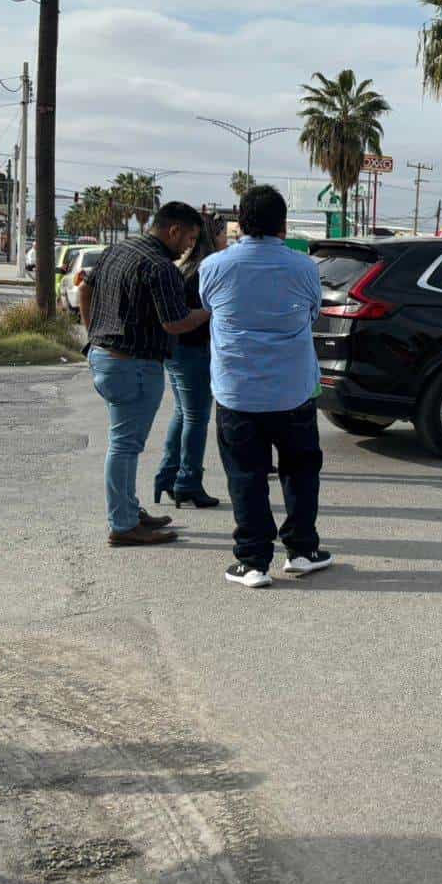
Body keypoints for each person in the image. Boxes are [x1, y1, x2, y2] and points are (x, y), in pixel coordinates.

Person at [200, 185, 331, 589]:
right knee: (301, 471)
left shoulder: (215, 266)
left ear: (241, 222)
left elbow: (209, 307)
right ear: (283, 224)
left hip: (237, 392)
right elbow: (313, 312)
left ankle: (253, 561)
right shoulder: (304, 267)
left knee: (245, 475)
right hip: (293, 390)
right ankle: (303, 551)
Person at [78, 201, 211, 546]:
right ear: (174, 230)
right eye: (189, 239)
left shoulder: (117, 249)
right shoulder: (160, 266)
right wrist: (207, 312)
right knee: (124, 446)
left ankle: (130, 510)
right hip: (133, 365)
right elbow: (175, 322)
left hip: (106, 358)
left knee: (125, 444)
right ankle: (122, 525)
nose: (189, 247)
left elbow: (83, 290)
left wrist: (93, 334)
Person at [153, 214, 227, 508]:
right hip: (193, 349)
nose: (227, 240)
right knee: (196, 417)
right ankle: (188, 481)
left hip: (177, 350)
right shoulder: (206, 269)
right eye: (223, 234)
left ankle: (168, 477)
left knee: (183, 414)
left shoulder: (185, 265)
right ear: (213, 237)